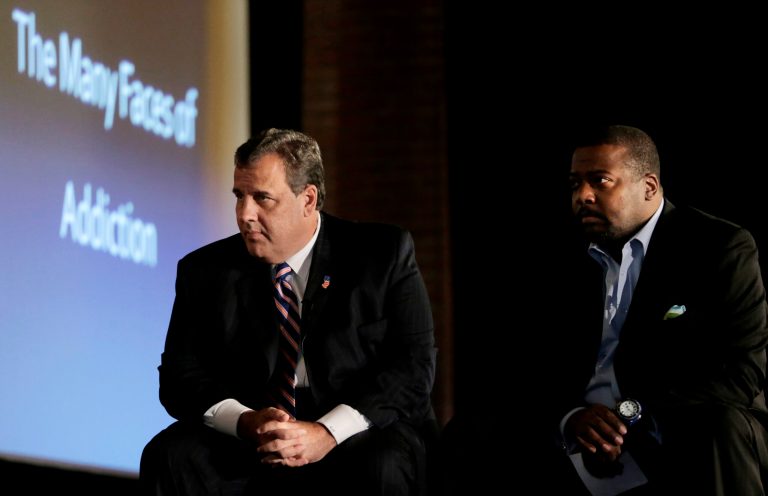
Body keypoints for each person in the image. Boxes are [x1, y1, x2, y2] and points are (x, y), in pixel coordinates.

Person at [139, 128, 437, 496]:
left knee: (383, 466)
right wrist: (246, 421)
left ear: (308, 200)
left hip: (360, 426)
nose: (245, 214)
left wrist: (327, 432)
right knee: (170, 456)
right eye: (239, 196)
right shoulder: (205, 270)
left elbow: (412, 369)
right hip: (257, 427)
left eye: (262, 198)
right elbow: (179, 378)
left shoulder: (381, 254)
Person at [546, 124, 768, 494]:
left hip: (675, 422)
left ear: (649, 186)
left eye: (599, 181)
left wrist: (628, 414)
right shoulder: (563, 255)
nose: (582, 195)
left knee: (717, 427)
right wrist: (572, 419)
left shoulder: (719, 246)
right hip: (583, 429)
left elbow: (741, 374)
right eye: (574, 183)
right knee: (474, 433)